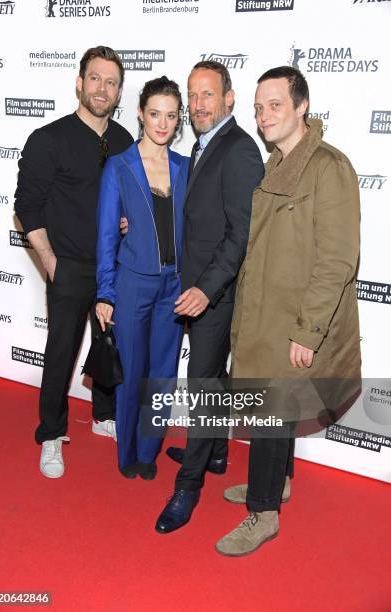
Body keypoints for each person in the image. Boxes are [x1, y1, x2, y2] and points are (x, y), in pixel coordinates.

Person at [215, 66, 361, 556]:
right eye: (258, 108)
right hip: (265, 316)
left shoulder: (328, 167)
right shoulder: (277, 163)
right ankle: (277, 484)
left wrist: (310, 330)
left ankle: (263, 514)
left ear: (302, 106)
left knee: (271, 412)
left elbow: (337, 259)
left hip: (295, 322)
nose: (264, 116)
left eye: (275, 104)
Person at [155, 61, 264, 533]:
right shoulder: (203, 145)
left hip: (215, 295)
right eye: (193, 96)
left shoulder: (238, 149)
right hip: (200, 290)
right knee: (212, 378)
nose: (198, 105)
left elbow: (241, 234)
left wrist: (206, 288)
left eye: (207, 95)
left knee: (201, 386)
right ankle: (216, 450)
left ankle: (188, 485)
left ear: (229, 98)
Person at [14, 46, 133, 479]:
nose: (103, 89)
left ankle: (103, 415)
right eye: (96, 79)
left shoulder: (123, 142)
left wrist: (126, 223)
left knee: (108, 345)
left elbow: (129, 203)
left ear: (119, 92)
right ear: (80, 83)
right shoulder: (49, 139)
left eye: (112, 82)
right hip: (67, 267)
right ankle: (51, 433)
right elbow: (27, 206)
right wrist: (50, 262)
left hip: (112, 269)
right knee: (61, 352)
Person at [95, 76, 189, 480]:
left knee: (163, 375)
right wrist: (106, 292)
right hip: (133, 282)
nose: (162, 123)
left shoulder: (187, 167)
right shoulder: (120, 166)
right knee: (131, 371)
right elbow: (104, 235)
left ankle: (149, 451)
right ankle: (127, 453)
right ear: (140, 113)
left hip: (175, 286)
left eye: (170, 115)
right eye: (155, 114)